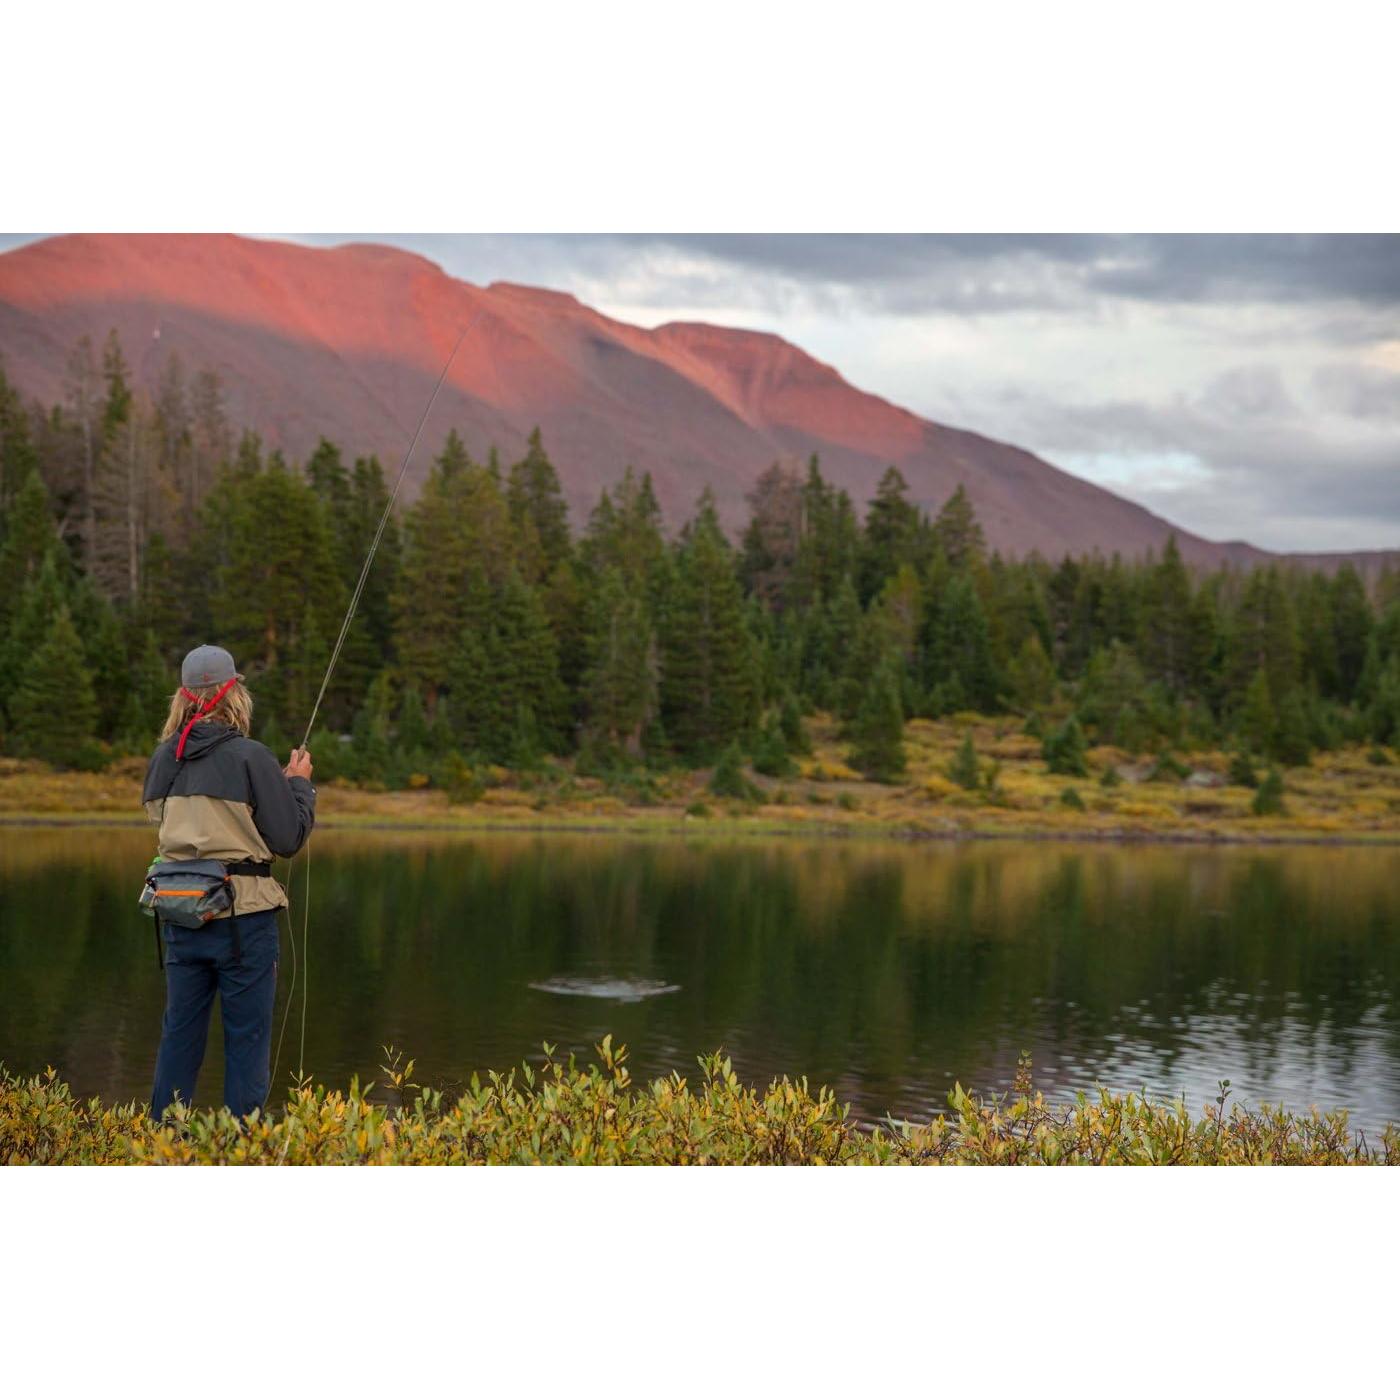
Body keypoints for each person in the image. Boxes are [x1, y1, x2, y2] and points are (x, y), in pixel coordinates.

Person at [142, 644, 316, 1119]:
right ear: (232, 694)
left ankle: (164, 1142)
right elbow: (288, 837)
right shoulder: (250, 757)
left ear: (183, 697)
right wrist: (298, 785)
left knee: (179, 1035)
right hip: (243, 923)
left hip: (180, 916)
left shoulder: (163, 759)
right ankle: (245, 1149)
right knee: (246, 1041)